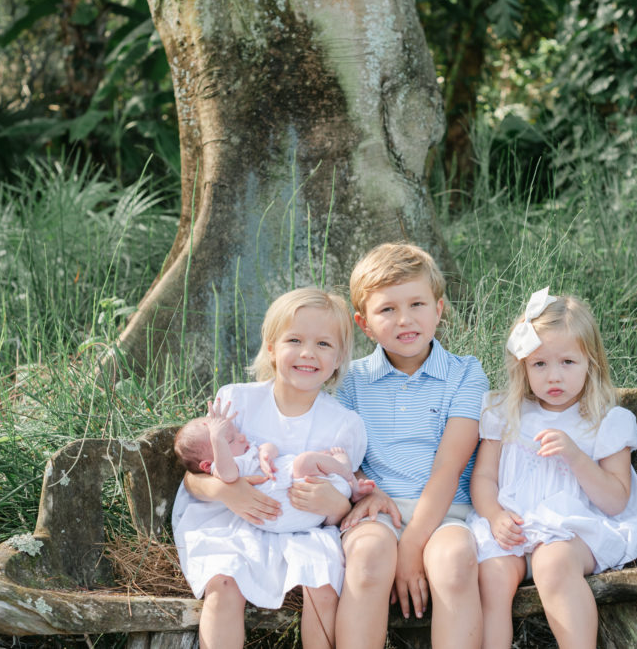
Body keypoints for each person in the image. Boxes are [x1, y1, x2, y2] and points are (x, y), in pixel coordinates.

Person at [171, 287, 366, 649]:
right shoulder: (237, 400)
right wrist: (229, 491)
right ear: (272, 346)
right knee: (223, 582)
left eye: (324, 345)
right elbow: (197, 476)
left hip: (303, 527)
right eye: (295, 339)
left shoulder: (343, 423)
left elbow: (344, 491)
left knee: (322, 586)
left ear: (340, 358)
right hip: (235, 519)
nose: (308, 353)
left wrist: (333, 506)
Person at [468, 288, 637, 649]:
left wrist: (576, 457)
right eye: (540, 364)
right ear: (523, 366)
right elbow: (485, 477)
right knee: (491, 576)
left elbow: (616, 500)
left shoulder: (605, 421)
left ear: (591, 363)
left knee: (552, 562)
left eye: (567, 362)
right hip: (513, 528)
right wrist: (493, 516)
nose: (554, 377)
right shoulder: (504, 413)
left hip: (576, 530)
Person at [335, 242, 489, 649]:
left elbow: (449, 467)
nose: (405, 319)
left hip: (447, 511)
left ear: (438, 309)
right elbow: (342, 455)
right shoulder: (350, 381)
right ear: (364, 323)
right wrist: (367, 487)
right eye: (387, 309)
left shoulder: (466, 374)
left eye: (417, 304)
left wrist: (412, 547)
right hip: (378, 508)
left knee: (455, 563)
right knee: (367, 559)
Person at [174, 404, 374, 532]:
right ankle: (348, 475)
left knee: (309, 462)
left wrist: (266, 453)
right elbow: (227, 475)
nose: (242, 437)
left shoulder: (244, 451)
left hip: (308, 499)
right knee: (304, 461)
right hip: (284, 506)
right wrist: (217, 438)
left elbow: (269, 447)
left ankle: (345, 481)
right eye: (231, 439)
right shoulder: (224, 466)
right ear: (208, 464)